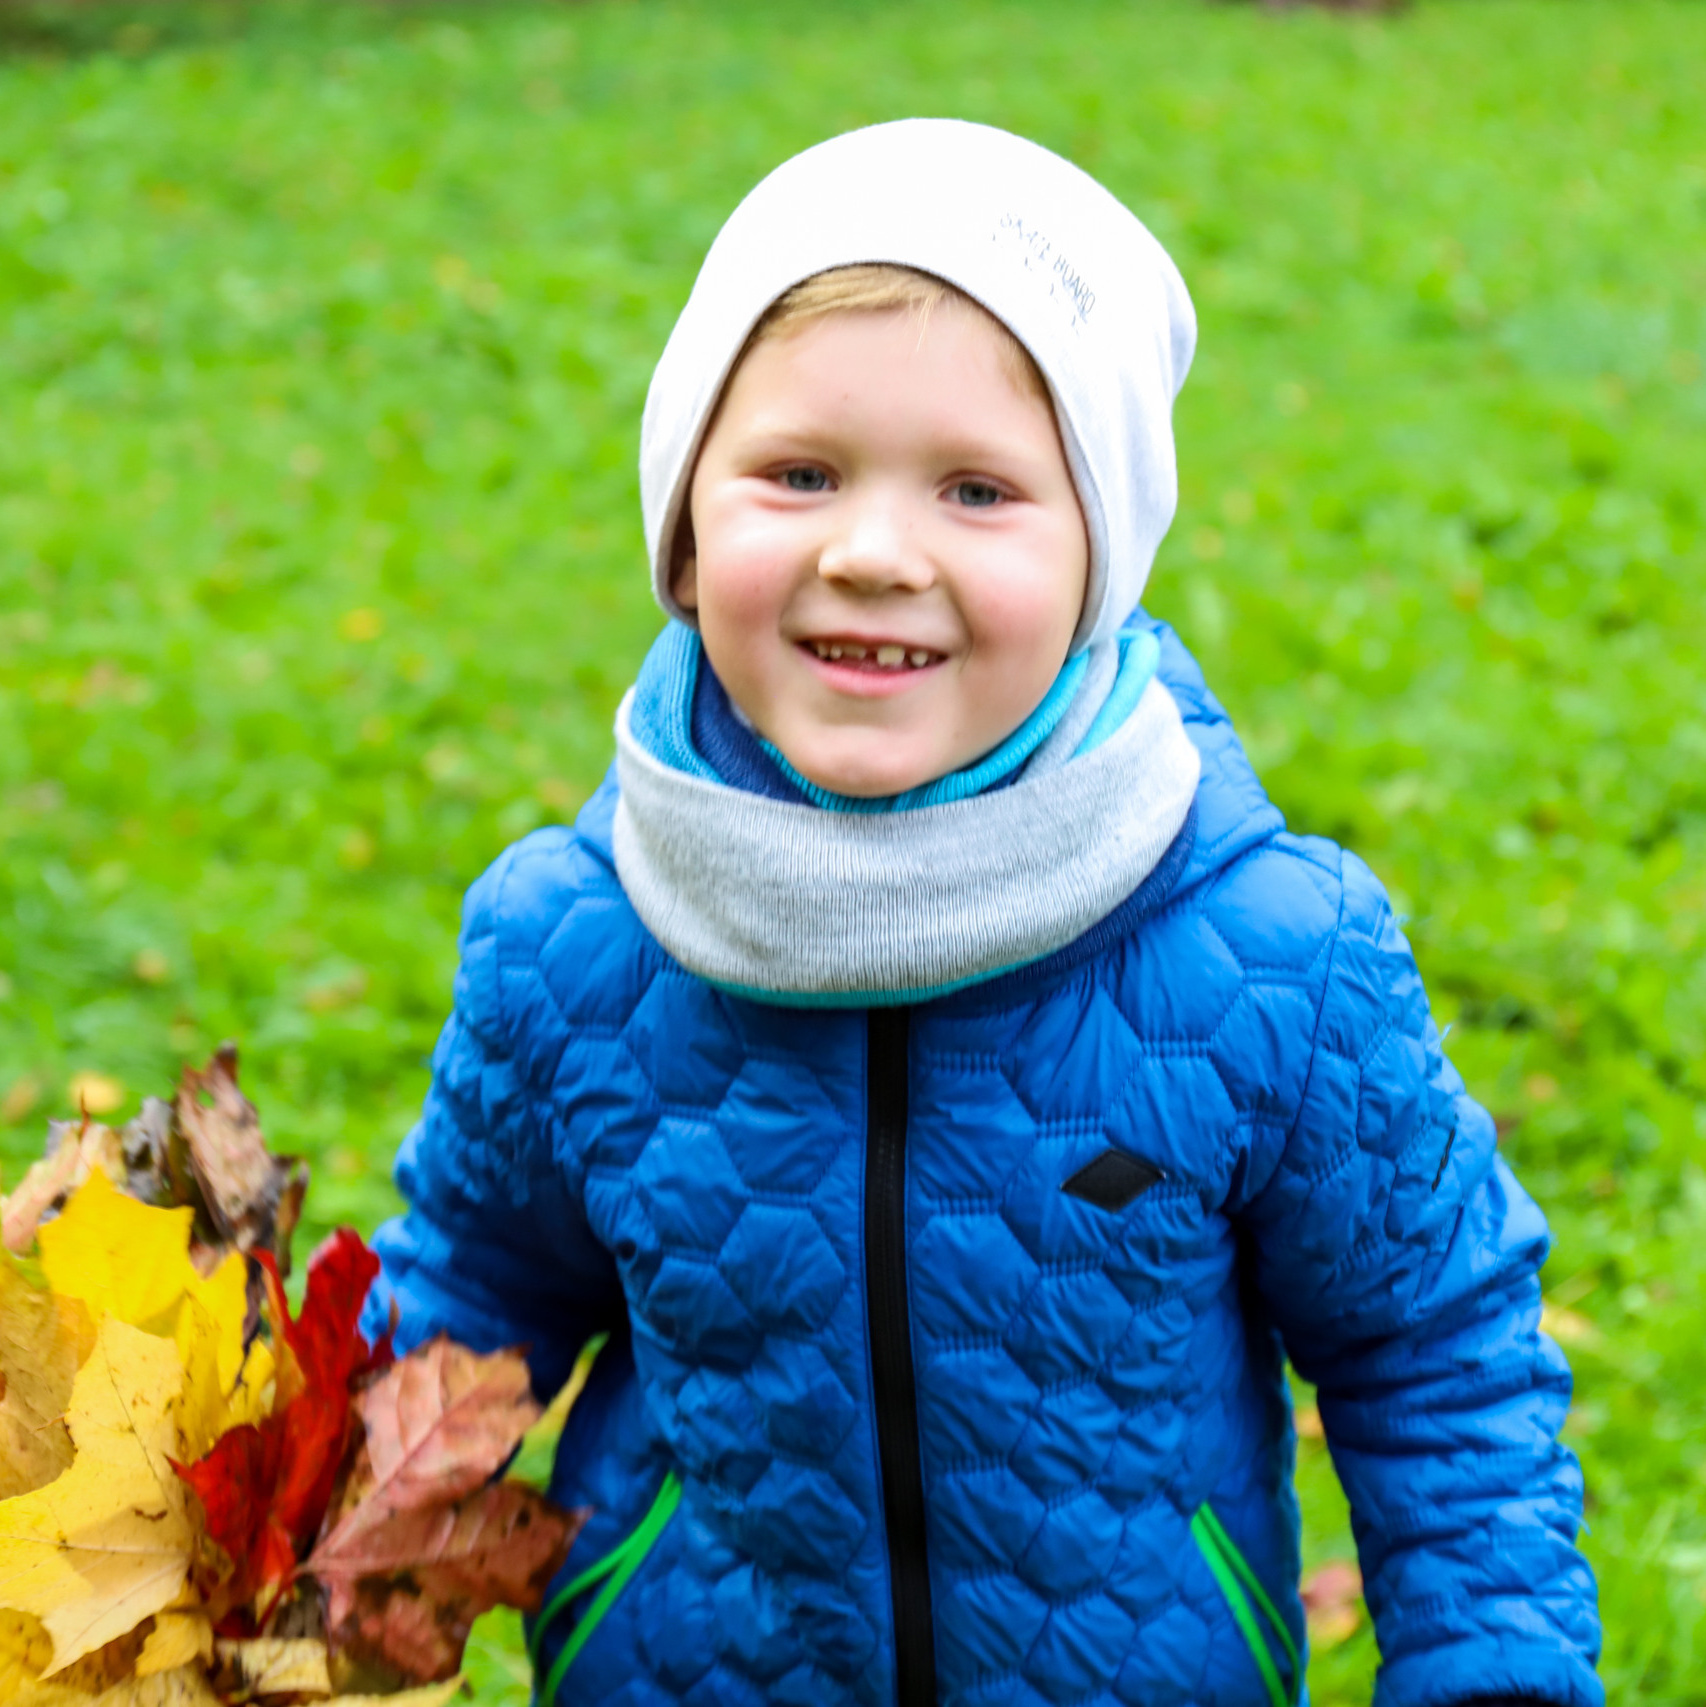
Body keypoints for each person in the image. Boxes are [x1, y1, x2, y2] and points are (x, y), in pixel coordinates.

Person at [366, 120, 1602, 1707]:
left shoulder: (1272, 963)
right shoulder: (572, 945)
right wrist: (264, 1511)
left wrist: (1489, 1671)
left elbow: (1431, 1350)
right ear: (681, 530)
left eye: (977, 490)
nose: (874, 554)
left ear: (1101, 558)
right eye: (797, 474)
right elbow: (472, 1282)